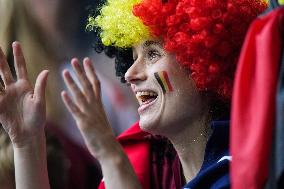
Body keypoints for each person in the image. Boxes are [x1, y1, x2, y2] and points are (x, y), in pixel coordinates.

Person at [0, 0, 267, 189]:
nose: (129, 74)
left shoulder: (243, 169)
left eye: (152, 54)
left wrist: (108, 151)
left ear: (204, 62)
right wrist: (26, 143)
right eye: (132, 56)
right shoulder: (148, 160)